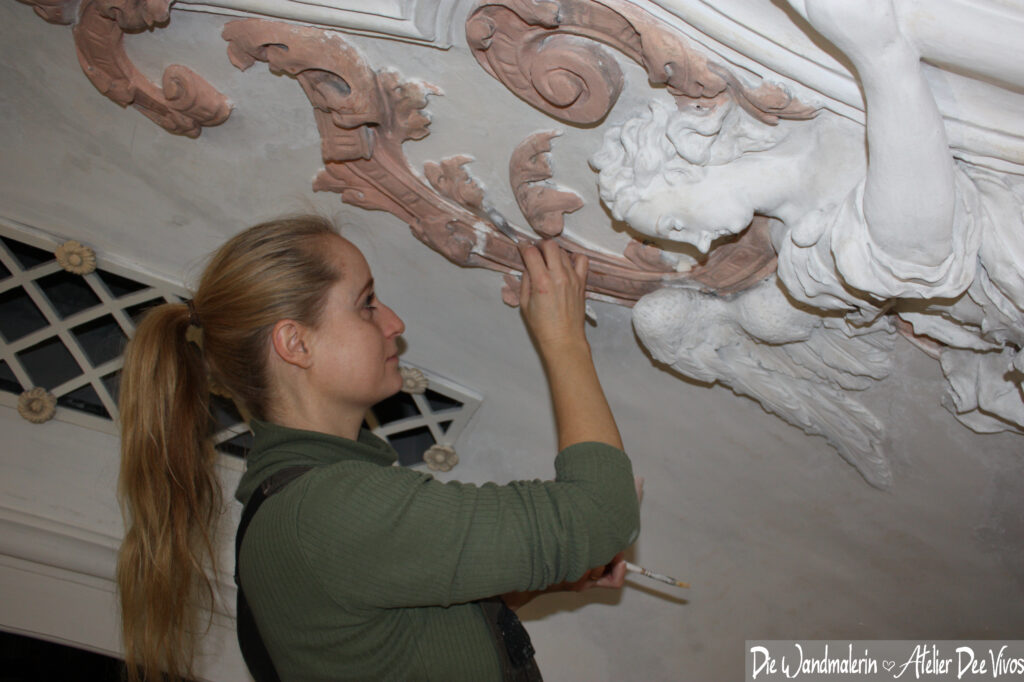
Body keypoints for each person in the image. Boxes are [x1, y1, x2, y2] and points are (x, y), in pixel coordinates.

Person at [116, 214, 640, 681]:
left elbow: (412, 635)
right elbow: (598, 512)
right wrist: (564, 338)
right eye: (366, 304)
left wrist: (551, 572)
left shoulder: (310, 506)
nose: (393, 323)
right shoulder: (324, 512)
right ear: (295, 344)